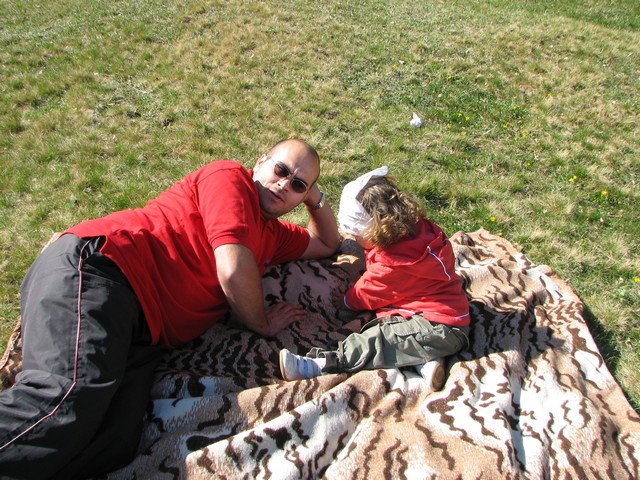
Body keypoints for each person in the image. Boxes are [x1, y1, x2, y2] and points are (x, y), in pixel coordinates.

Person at [0, 139, 340, 480]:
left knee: (112, 444)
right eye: (281, 170)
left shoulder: (273, 236)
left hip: (141, 332)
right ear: (261, 160)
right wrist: (261, 322)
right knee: (65, 400)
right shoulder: (229, 179)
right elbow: (234, 269)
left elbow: (328, 243)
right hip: (103, 272)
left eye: (297, 184)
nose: (284, 184)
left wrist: (314, 197)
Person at [279, 166, 470, 388]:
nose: (356, 240)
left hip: (438, 326)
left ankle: (321, 364)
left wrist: (345, 301)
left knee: (378, 339)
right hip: (439, 320)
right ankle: (426, 362)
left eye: (357, 235)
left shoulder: (392, 264)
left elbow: (367, 293)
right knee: (400, 340)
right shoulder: (422, 231)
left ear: (373, 231)